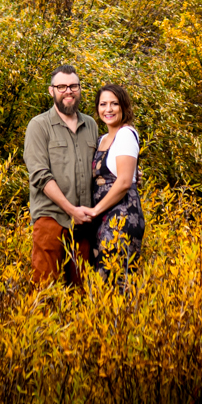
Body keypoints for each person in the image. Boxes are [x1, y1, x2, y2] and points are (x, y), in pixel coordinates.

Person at [23, 64, 97, 288]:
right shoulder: (39, 126)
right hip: (51, 219)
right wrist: (70, 210)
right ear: (51, 90)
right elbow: (40, 176)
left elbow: (98, 168)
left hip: (84, 223)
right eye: (62, 86)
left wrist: (129, 176)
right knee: (44, 291)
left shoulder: (91, 125)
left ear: (80, 89)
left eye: (73, 86)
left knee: (82, 293)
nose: (68, 91)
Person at [85, 83, 144, 285]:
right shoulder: (102, 139)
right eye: (103, 104)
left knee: (115, 282)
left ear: (123, 107)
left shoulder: (126, 134)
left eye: (114, 104)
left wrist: (94, 211)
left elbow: (125, 182)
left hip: (122, 218)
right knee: (99, 282)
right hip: (103, 219)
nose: (108, 109)